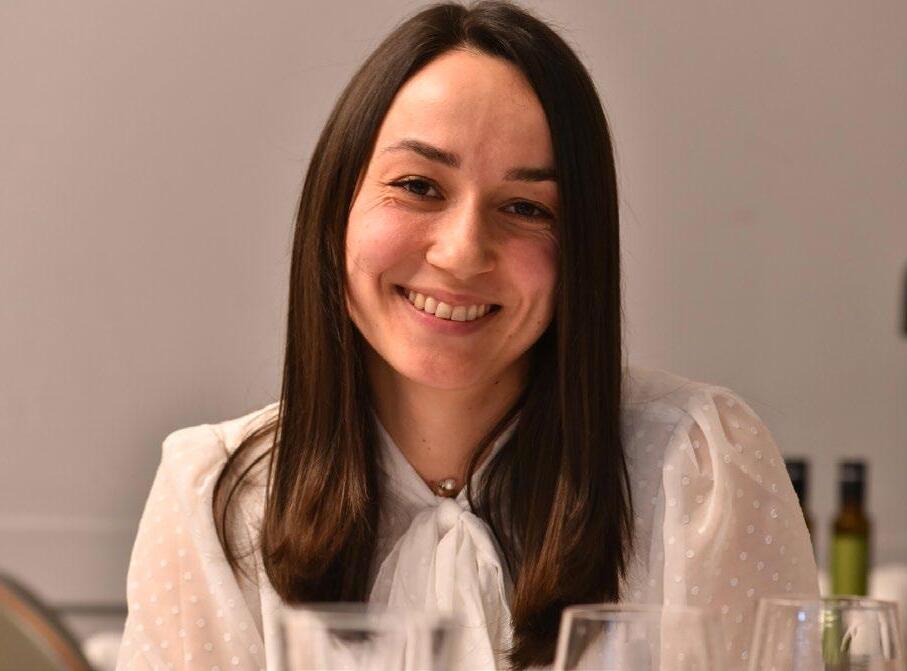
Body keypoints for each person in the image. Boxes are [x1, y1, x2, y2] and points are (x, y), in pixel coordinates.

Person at [115, 2, 819, 669]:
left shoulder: (696, 468)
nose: (461, 252)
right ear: (335, 208)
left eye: (526, 207)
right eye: (418, 186)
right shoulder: (214, 495)